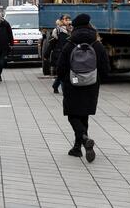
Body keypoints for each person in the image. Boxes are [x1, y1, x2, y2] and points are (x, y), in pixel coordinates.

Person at [56, 14, 109, 162]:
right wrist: (99, 80)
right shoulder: (97, 44)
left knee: (72, 114)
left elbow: (60, 67)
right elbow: (105, 66)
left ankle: (83, 140)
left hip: (72, 84)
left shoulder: (70, 43)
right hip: (91, 84)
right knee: (84, 115)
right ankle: (77, 147)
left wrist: (62, 80)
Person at [47, 15, 72, 94]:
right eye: (65, 19)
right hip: (59, 54)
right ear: (61, 20)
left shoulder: (72, 30)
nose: (67, 21)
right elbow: (52, 44)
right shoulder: (57, 30)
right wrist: (46, 54)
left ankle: (55, 85)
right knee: (62, 72)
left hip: (69, 54)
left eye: (69, 19)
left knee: (64, 72)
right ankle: (64, 90)